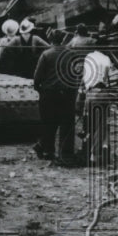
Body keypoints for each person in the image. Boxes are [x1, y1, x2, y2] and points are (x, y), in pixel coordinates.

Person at [32, 30, 79, 164]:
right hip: (68, 93)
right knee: (67, 124)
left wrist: (39, 89)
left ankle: (48, 151)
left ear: (51, 40)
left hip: (49, 93)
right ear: (63, 40)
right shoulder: (71, 54)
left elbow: (38, 76)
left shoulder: (46, 54)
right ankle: (66, 154)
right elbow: (77, 73)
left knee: (48, 122)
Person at [81, 48, 114, 165]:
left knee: (90, 124)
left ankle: (92, 153)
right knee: (103, 125)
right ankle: (100, 151)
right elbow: (106, 78)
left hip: (91, 93)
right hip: (103, 93)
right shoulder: (106, 59)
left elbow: (85, 76)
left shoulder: (88, 57)